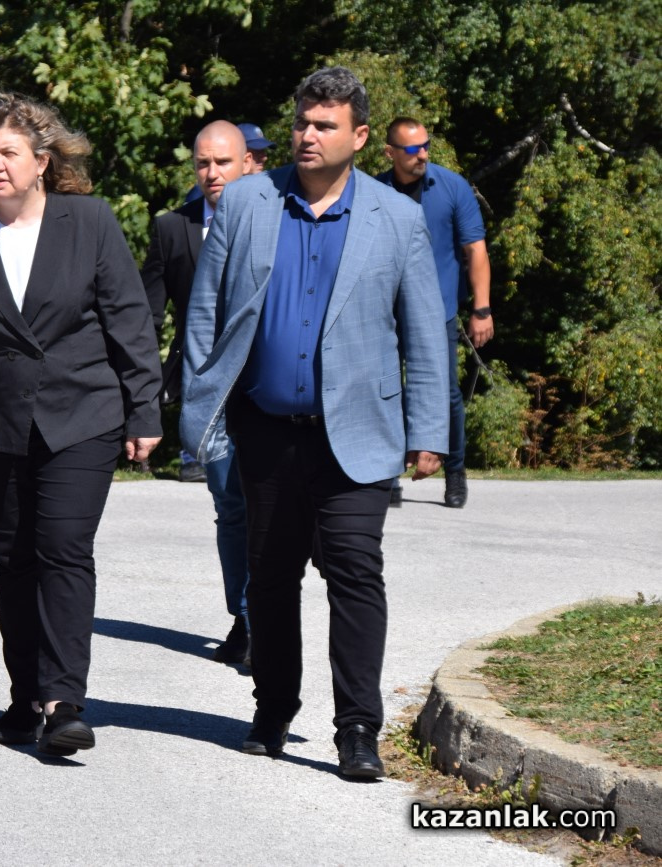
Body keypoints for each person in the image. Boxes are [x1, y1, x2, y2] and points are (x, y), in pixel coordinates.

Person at [181, 67, 449, 778]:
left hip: (357, 432)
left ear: (359, 136)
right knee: (270, 577)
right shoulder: (247, 202)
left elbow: (424, 332)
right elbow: (205, 312)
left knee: (355, 573)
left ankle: (357, 728)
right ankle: (272, 707)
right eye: (302, 121)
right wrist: (199, 412)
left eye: (324, 125)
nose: (307, 134)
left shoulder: (397, 218)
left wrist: (429, 430)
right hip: (265, 428)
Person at [0, 92, 163, 756]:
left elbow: (129, 320)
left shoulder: (91, 221)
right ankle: (25, 695)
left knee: (63, 548)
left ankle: (63, 701)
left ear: (43, 161)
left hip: (82, 412)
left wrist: (144, 408)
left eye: (9, 153)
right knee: (12, 560)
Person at [140, 120, 251, 665]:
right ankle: (246, 618)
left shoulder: (280, 220)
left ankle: (263, 616)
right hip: (209, 390)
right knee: (230, 504)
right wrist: (141, 393)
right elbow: (145, 316)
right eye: (203, 163)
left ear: (248, 164)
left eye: (223, 162)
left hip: (269, 386)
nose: (212, 173)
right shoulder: (172, 229)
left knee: (272, 507)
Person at [377, 117, 493, 509]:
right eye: (413, 148)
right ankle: (388, 476)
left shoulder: (452, 187)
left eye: (426, 145)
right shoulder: (374, 191)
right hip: (385, 312)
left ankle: (455, 471)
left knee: (446, 394)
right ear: (390, 152)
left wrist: (481, 309)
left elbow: (475, 249)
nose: (422, 154)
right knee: (385, 391)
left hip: (437, 310)